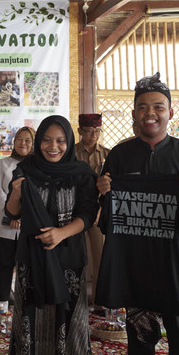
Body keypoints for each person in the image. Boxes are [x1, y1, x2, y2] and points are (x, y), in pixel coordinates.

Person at [96, 72, 179, 355]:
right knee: (141, 334)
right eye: (143, 107)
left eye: (158, 107)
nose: (151, 113)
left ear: (170, 112)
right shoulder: (120, 156)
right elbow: (107, 211)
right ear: (134, 114)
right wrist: (104, 193)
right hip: (137, 263)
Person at [5, 115, 98, 355]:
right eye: (46, 140)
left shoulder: (81, 174)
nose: (52, 146)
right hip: (31, 259)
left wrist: (60, 233)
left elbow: (88, 215)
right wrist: (15, 192)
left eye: (60, 140)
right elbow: (13, 213)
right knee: (30, 323)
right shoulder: (25, 169)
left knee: (70, 323)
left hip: (69, 259)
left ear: (69, 141)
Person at [0, 126, 35, 315]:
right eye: (19, 139)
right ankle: (3, 305)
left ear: (34, 143)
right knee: (4, 265)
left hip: (28, 226)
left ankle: (25, 306)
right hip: (2, 225)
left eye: (28, 140)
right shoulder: (4, 164)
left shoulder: (38, 165)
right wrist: (12, 214)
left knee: (27, 267)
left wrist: (23, 217)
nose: (23, 143)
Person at [75, 113, 110, 311]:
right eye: (89, 131)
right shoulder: (70, 154)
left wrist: (101, 210)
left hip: (98, 215)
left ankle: (99, 302)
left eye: (97, 131)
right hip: (74, 215)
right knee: (75, 259)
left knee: (100, 260)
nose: (94, 135)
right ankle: (73, 302)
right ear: (80, 131)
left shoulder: (107, 154)